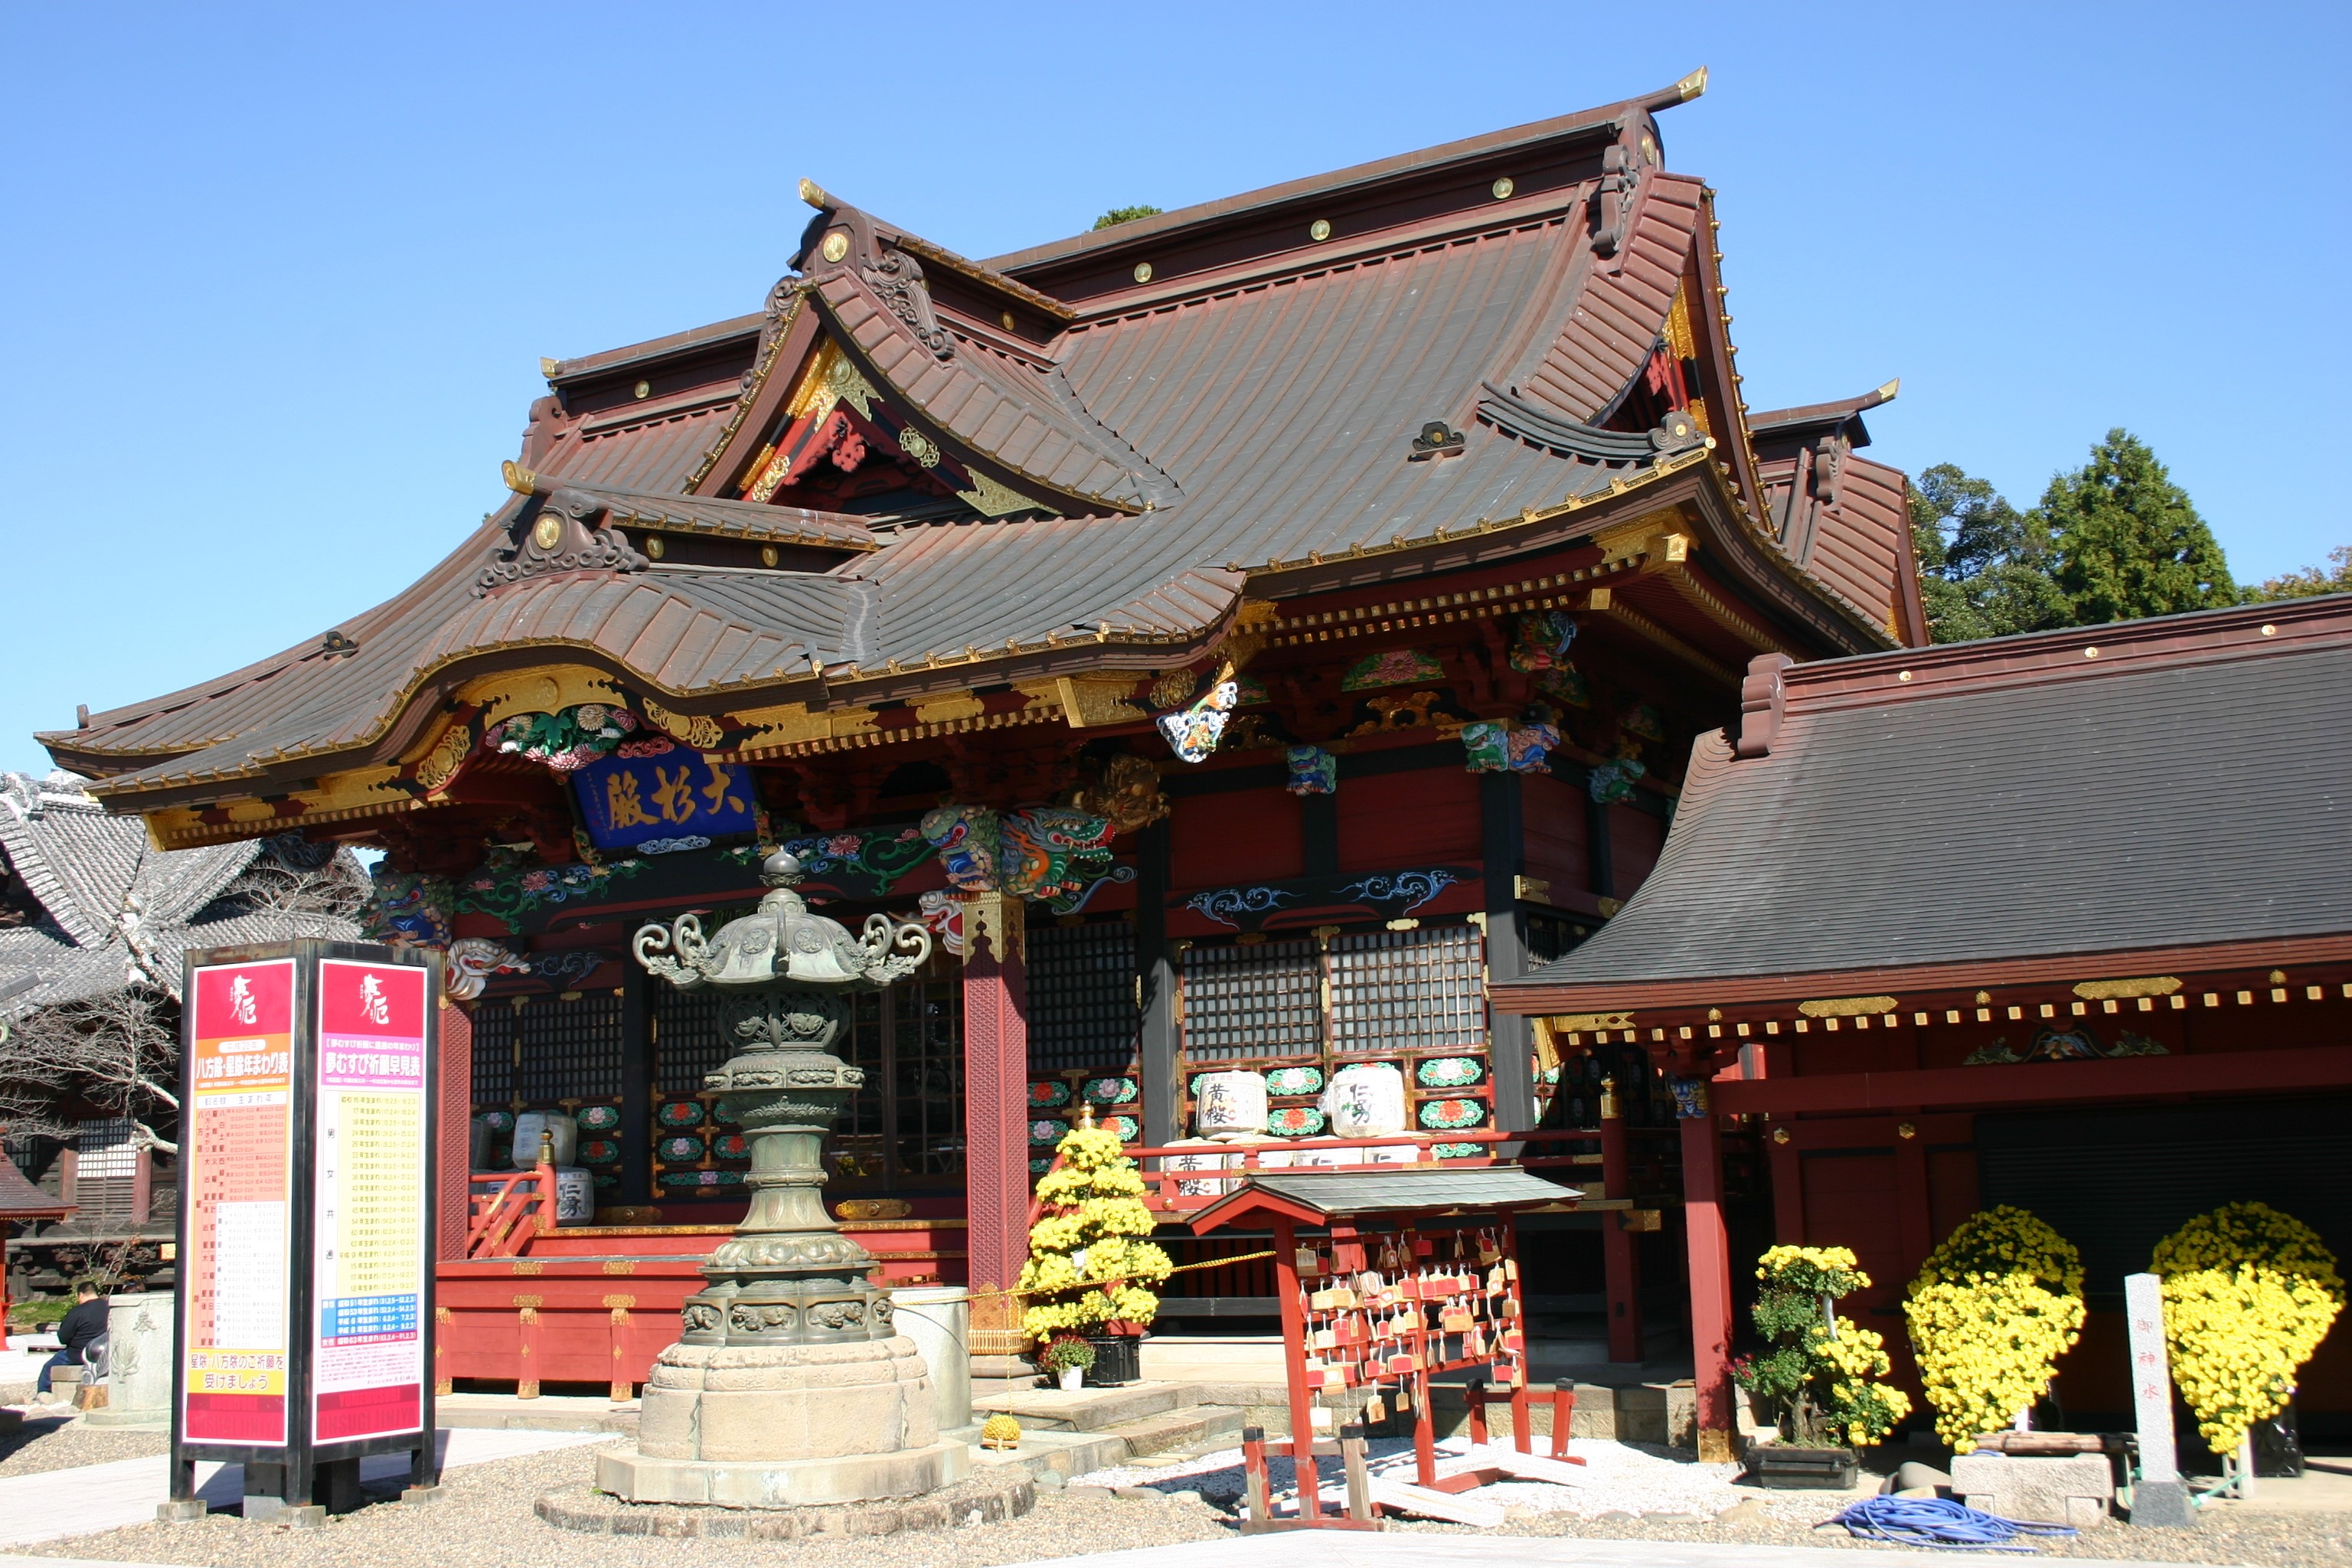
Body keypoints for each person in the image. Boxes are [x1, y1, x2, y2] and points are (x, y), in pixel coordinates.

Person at [35, 1279, 107, 1398]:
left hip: (78, 1353)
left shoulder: (77, 1312)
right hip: (105, 1351)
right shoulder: (109, 1307)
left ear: (81, 1295)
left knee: (48, 1367)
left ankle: (43, 1393)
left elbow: (63, 1338)